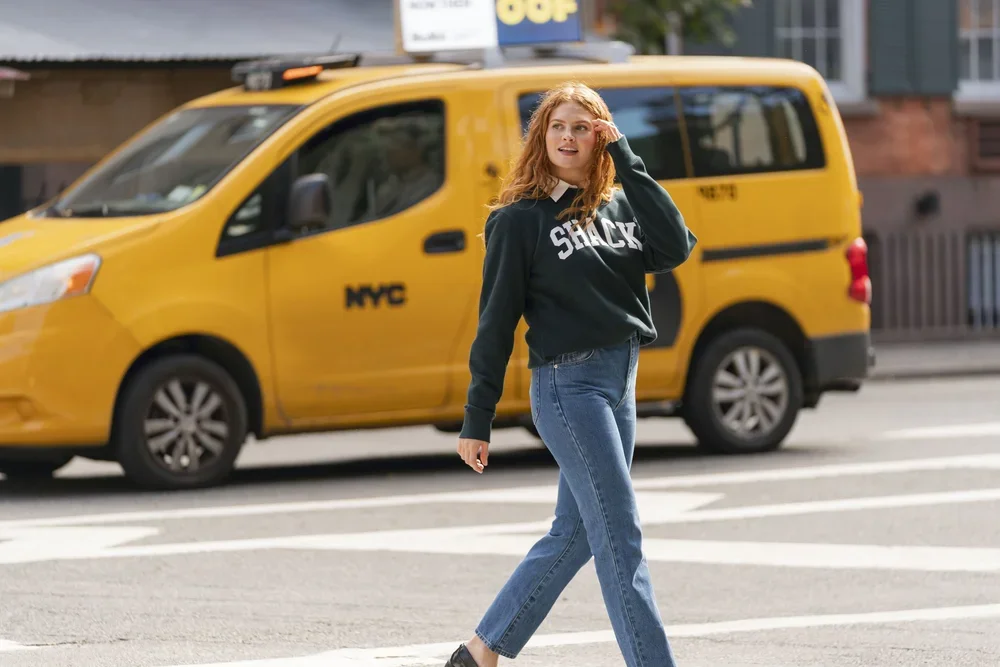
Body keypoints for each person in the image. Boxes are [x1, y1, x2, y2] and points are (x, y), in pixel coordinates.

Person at [447, 82, 698, 667]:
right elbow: (495, 324)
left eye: (582, 128)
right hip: (568, 387)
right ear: (541, 135)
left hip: (621, 379)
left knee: (579, 533)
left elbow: (677, 245)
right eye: (557, 126)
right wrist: (476, 417)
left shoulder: (618, 204)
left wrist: (629, 163)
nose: (567, 137)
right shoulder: (518, 222)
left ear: (599, 137)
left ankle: (480, 651)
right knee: (621, 533)